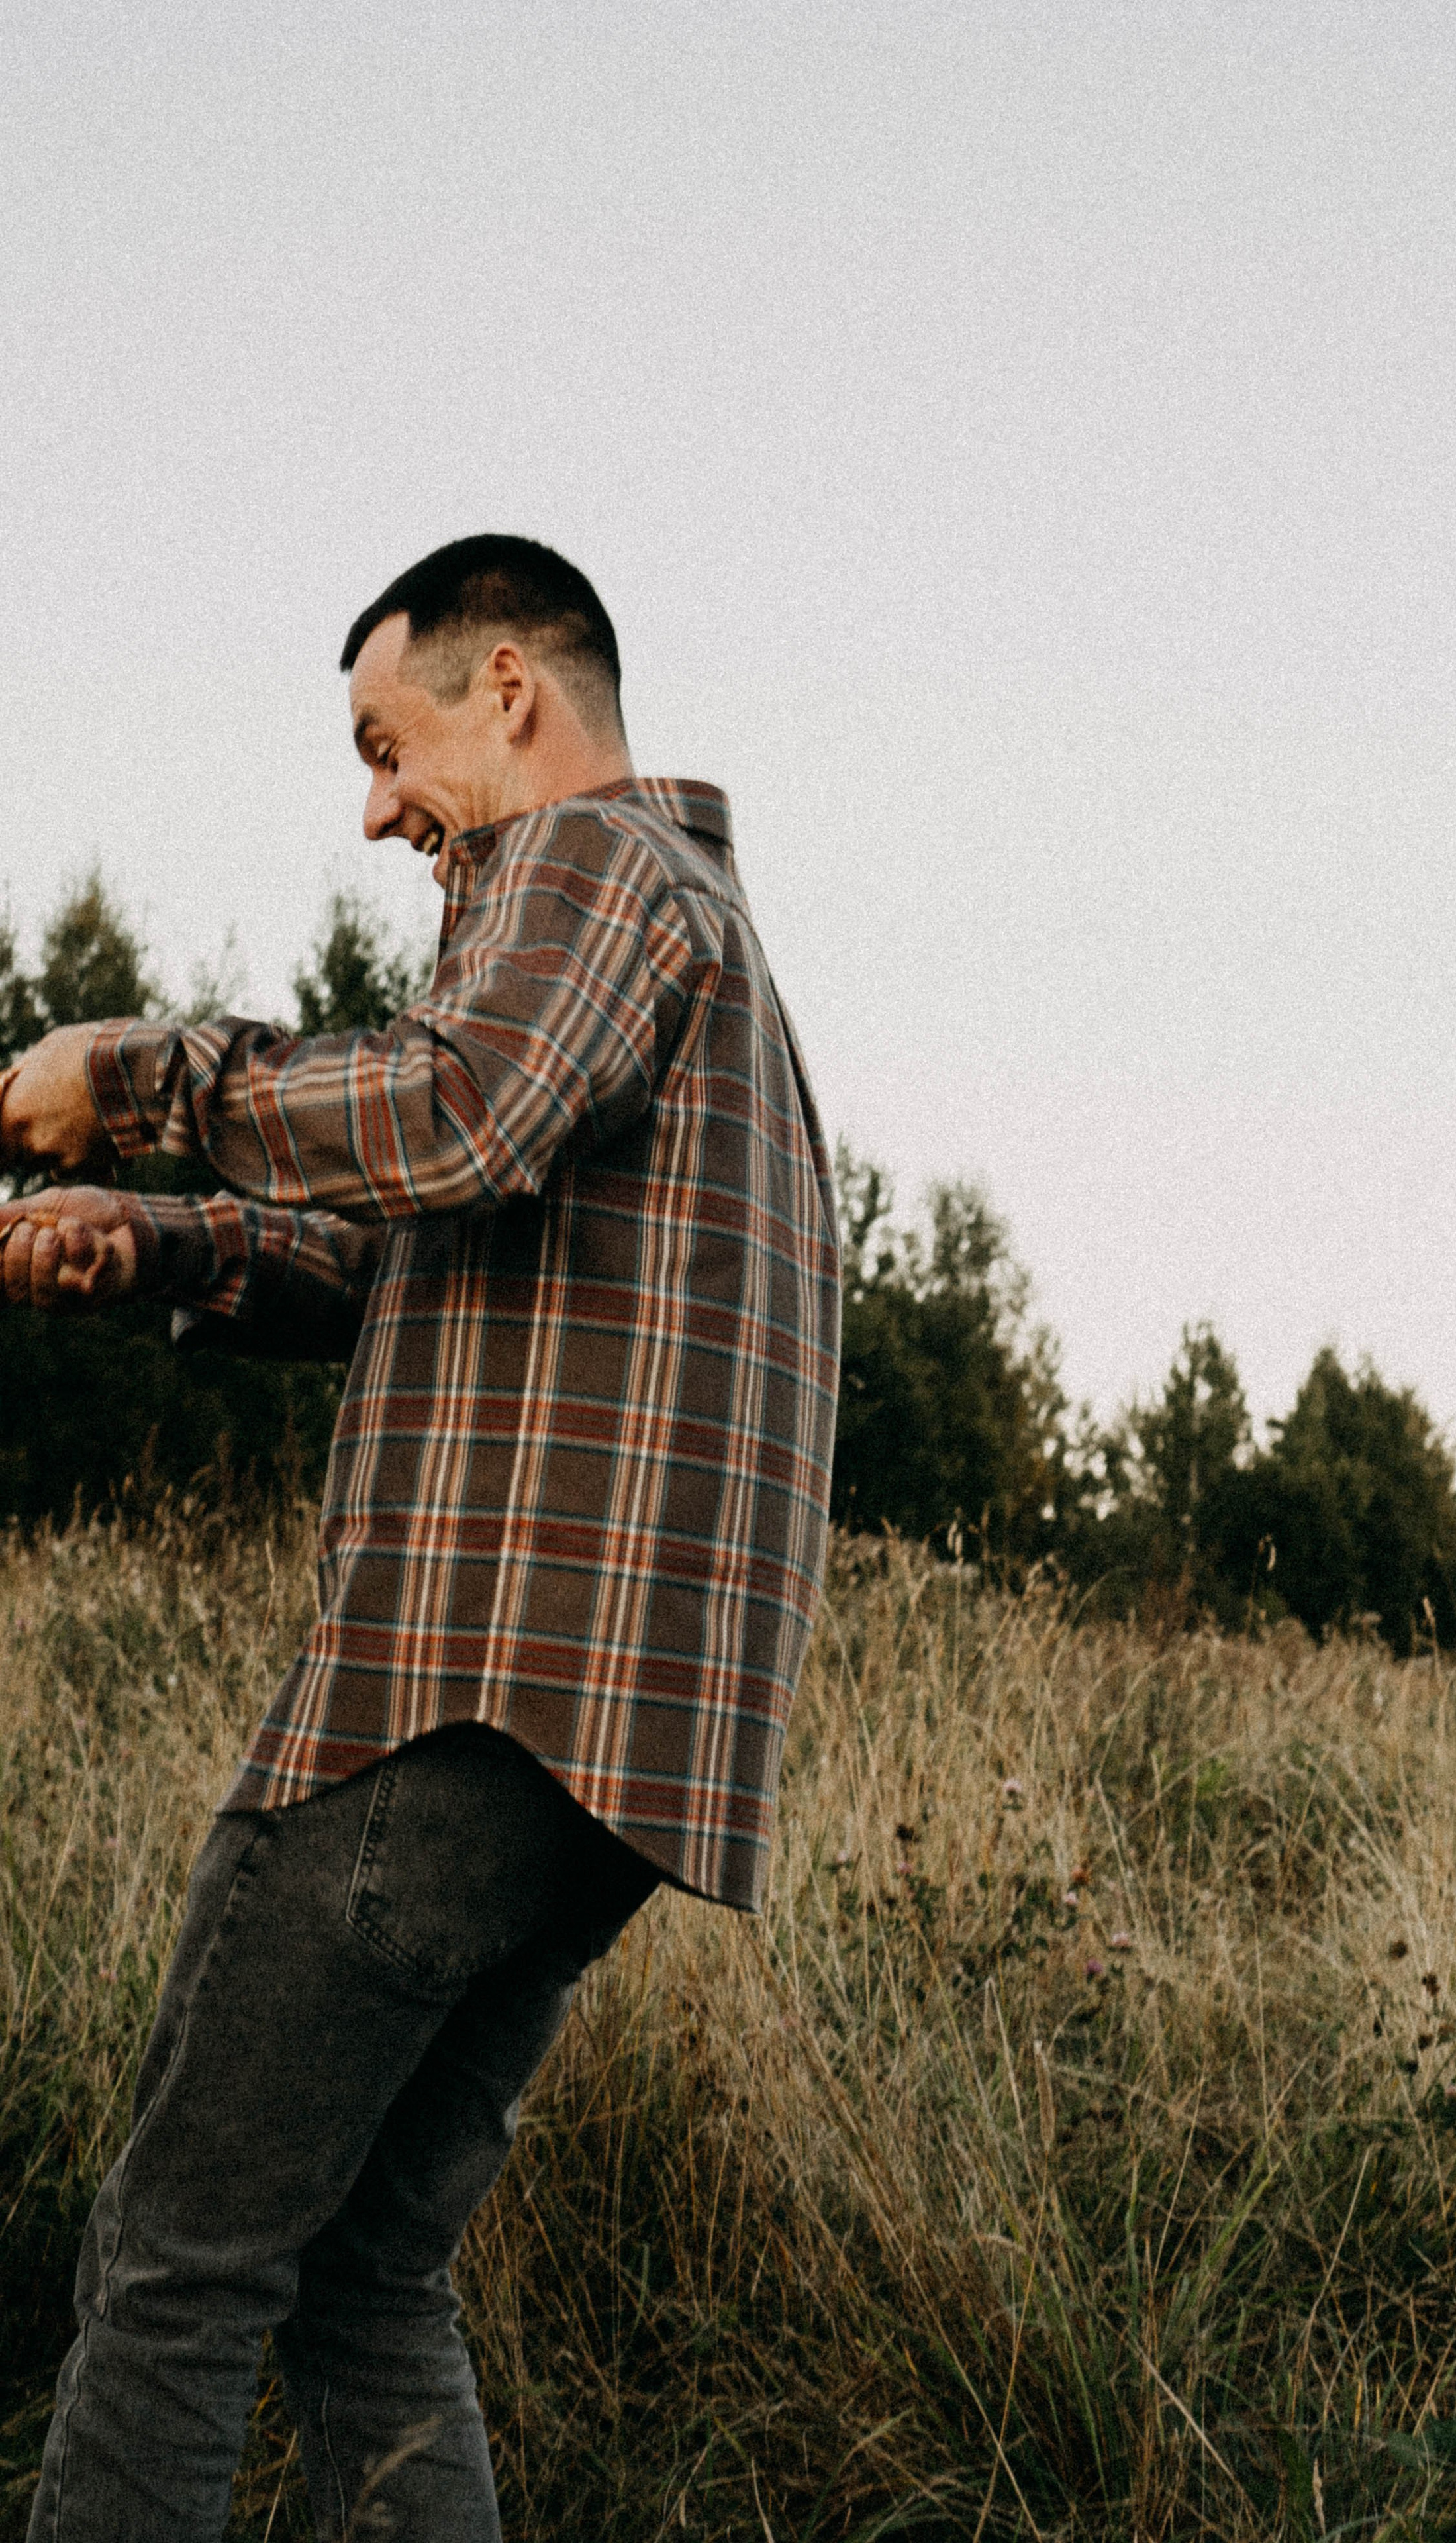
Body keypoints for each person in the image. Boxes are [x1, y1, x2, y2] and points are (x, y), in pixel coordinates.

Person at [0, 534, 840, 2542]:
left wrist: (131, 1083)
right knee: (369, 2279)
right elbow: (418, 1246)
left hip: (447, 1711)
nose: (376, 807)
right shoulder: (701, 961)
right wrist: (165, 1248)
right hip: (597, 1782)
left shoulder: (592, 873)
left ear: (516, 689)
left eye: (389, 745)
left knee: (172, 2269)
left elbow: (455, 1115)